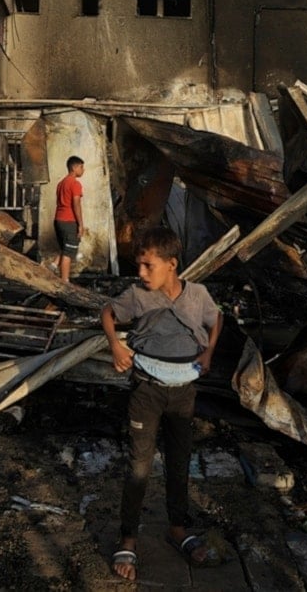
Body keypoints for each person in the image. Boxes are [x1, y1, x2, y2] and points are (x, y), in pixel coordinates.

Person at [101, 227, 223, 582]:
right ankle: (129, 537)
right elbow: (107, 314)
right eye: (138, 265)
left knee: (179, 460)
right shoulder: (138, 296)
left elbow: (217, 320)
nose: (141, 273)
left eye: (147, 265)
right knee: (139, 464)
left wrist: (209, 351)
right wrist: (116, 346)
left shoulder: (197, 295)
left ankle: (177, 527)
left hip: (183, 391)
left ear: (171, 265)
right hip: (147, 390)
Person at [53, 156, 86, 282]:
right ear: (74, 168)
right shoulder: (75, 184)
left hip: (58, 220)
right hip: (69, 221)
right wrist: (80, 224)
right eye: (81, 167)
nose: (83, 170)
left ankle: (53, 266)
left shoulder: (61, 183)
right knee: (69, 253)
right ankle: (65, 282)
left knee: (64, 248)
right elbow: (76, 204)